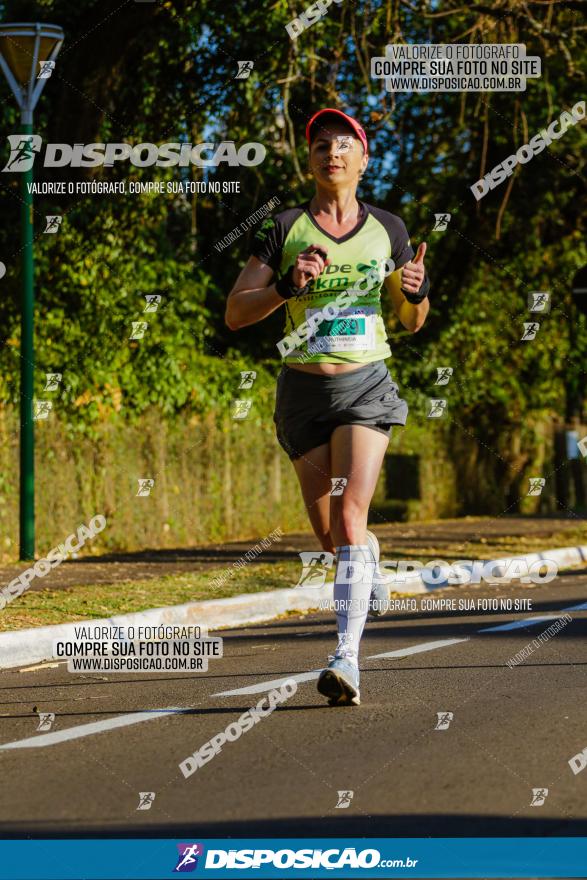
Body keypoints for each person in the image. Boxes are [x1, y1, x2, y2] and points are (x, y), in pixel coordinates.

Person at [225, 108, 430, 706]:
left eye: (344, 144)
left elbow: (410, 323)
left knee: (347, 516)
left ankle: (346, 658)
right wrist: (287, 286)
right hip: (302, 393)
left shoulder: (388, 229)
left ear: (364, 161)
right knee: (329, 536)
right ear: (308, 160)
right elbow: (237, 312)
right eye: (320, 144)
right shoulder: (285, 227)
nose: (331, 153)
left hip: (365, 385)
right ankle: (367, 555)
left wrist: (415, 294)